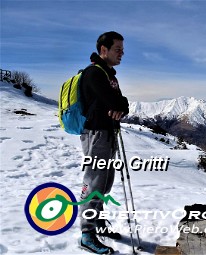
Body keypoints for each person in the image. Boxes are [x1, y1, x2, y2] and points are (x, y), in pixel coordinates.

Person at [77, 31, 129, 255]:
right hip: (96, 135)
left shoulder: (110, 76)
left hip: (107, 134)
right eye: (118, 49)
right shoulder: (93, 74)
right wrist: (119, 104)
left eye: (122, 50)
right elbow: (113, 101)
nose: (122, 54)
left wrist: (121, 105)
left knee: (106, 183)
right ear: (103, 50)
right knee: (95, 182)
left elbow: (122, 103)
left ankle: (97, 222)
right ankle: (86, 234)